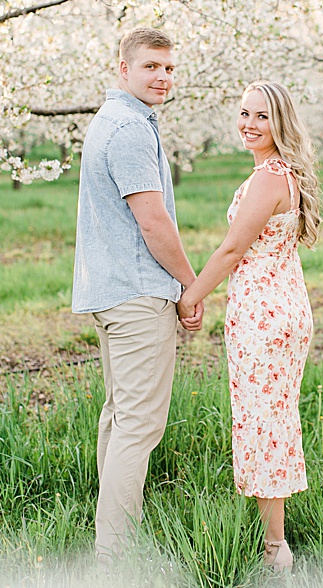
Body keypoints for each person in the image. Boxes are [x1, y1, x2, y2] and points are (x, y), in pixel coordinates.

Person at [177, 80, 322, 572]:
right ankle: (275, 542)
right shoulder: (283, 173)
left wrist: (189, 296)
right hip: (281, 308)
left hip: (265, 316)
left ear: (280, 121)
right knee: (271, 420)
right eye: (244, 113)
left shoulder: (268, 178)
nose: (249, 124)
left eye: (261, 116)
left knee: (264, 423)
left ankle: (275, 551)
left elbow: (232, 249)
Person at [71, 27, 203, 564]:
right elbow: (154, 222)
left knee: (120, 418)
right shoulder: (127, 128)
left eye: (169, 68)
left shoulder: (114, 121)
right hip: (136, 295)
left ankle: (111, 538)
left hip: (109, 291)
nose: (163, 78)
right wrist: (191, 286)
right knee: (139, 425)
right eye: (151, 67)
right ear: (122, 68)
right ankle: (117, 554)